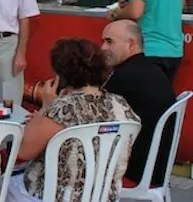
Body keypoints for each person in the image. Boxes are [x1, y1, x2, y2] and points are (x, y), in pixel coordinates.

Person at [8, 38, 139, 201]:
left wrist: (46, 106)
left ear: (61, 75)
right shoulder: (120, 104)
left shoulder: (63, 108)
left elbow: (22, 151)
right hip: (103, 195)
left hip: (55, 196)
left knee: (2, 182)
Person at [101, 20, 176, 188]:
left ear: (131, 44)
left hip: (135, 171)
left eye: (109, 41)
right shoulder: (150, 69)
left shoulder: (126, 75)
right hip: (156, 166)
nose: (103, 48)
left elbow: (93, 119)